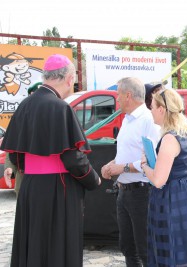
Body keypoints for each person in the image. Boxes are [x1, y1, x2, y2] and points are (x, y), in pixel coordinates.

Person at [0, 54, 101, 267]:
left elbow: (15, 155)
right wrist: (93, 180)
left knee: (33, 242)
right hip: (58, 189)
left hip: (30, 187)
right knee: (57, 246)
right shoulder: (60, 107)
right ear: (67, 78)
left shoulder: (24, 105)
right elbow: (73, 158)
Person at [141, 88, 187, 266]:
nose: (150, 111)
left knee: (173, 250)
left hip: (171, 199)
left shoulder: (170, 139)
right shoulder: (183, 133)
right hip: (184, 195)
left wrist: (144, 165)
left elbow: (158, 180)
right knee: (184, 247)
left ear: (162, 109)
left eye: (152, 106)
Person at [100, 77, 159, 267]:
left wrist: (122, 168)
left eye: (118, 94)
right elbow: (125, 153)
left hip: (142, 192)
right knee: (127, 247)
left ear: (128, 95)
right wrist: (111, 165)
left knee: (145, 248)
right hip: (124, 191)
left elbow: (152, 159)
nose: (116, 99)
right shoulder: (127, 119)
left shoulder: (148, 120)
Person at [3, 82, 42, 195]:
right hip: (24, 176)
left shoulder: (53, 115)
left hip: (47, 176)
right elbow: (11, 146)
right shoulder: (20, 117)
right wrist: (9, 167)